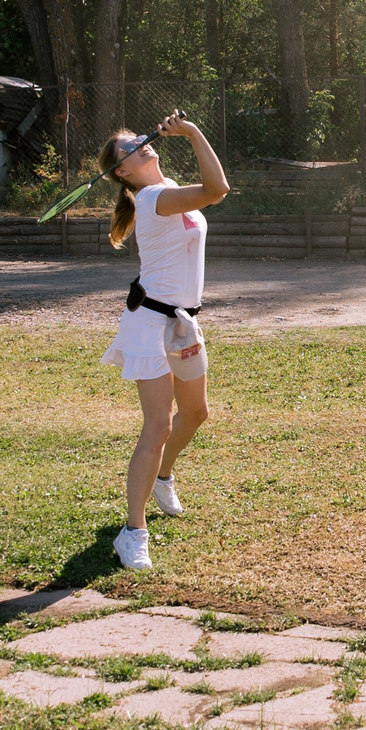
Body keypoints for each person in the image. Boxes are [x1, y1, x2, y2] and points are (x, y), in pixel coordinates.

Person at [97, 112, 230, 570]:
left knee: (195, 413)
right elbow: (218, 190)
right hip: (150, 325)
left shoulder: (167, 189)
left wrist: (191, 134)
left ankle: (162, 476)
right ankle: (132, 533)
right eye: (128, 146)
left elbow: (210, 192)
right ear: (123, 171)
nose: (140, 142)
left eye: (137, 138)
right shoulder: (151, 197)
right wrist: (193, 132)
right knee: (158, 425)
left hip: (181, 323)